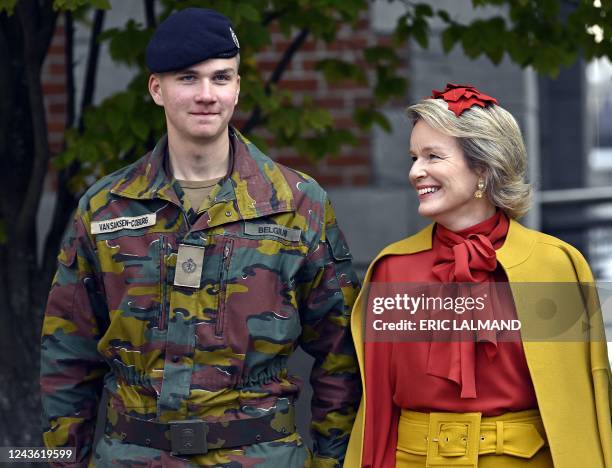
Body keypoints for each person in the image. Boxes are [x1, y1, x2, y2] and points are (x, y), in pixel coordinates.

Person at [40, 8, 361, 467]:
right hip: (131, 455)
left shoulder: (297, 203)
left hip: (260, 455)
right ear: (157, 90)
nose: (207, 95)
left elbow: (339, 354)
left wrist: (333, 462)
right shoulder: (105, 206)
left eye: (221, 78)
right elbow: (67, 354)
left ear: (237, 87)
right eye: (188, 79)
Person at [345, 83, 611, 467]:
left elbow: (583, 408)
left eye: (433, 156)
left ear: (484, 167)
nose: (416, 171)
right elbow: (378, 415)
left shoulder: (555, 266)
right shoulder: (392, 270)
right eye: (414, 157)